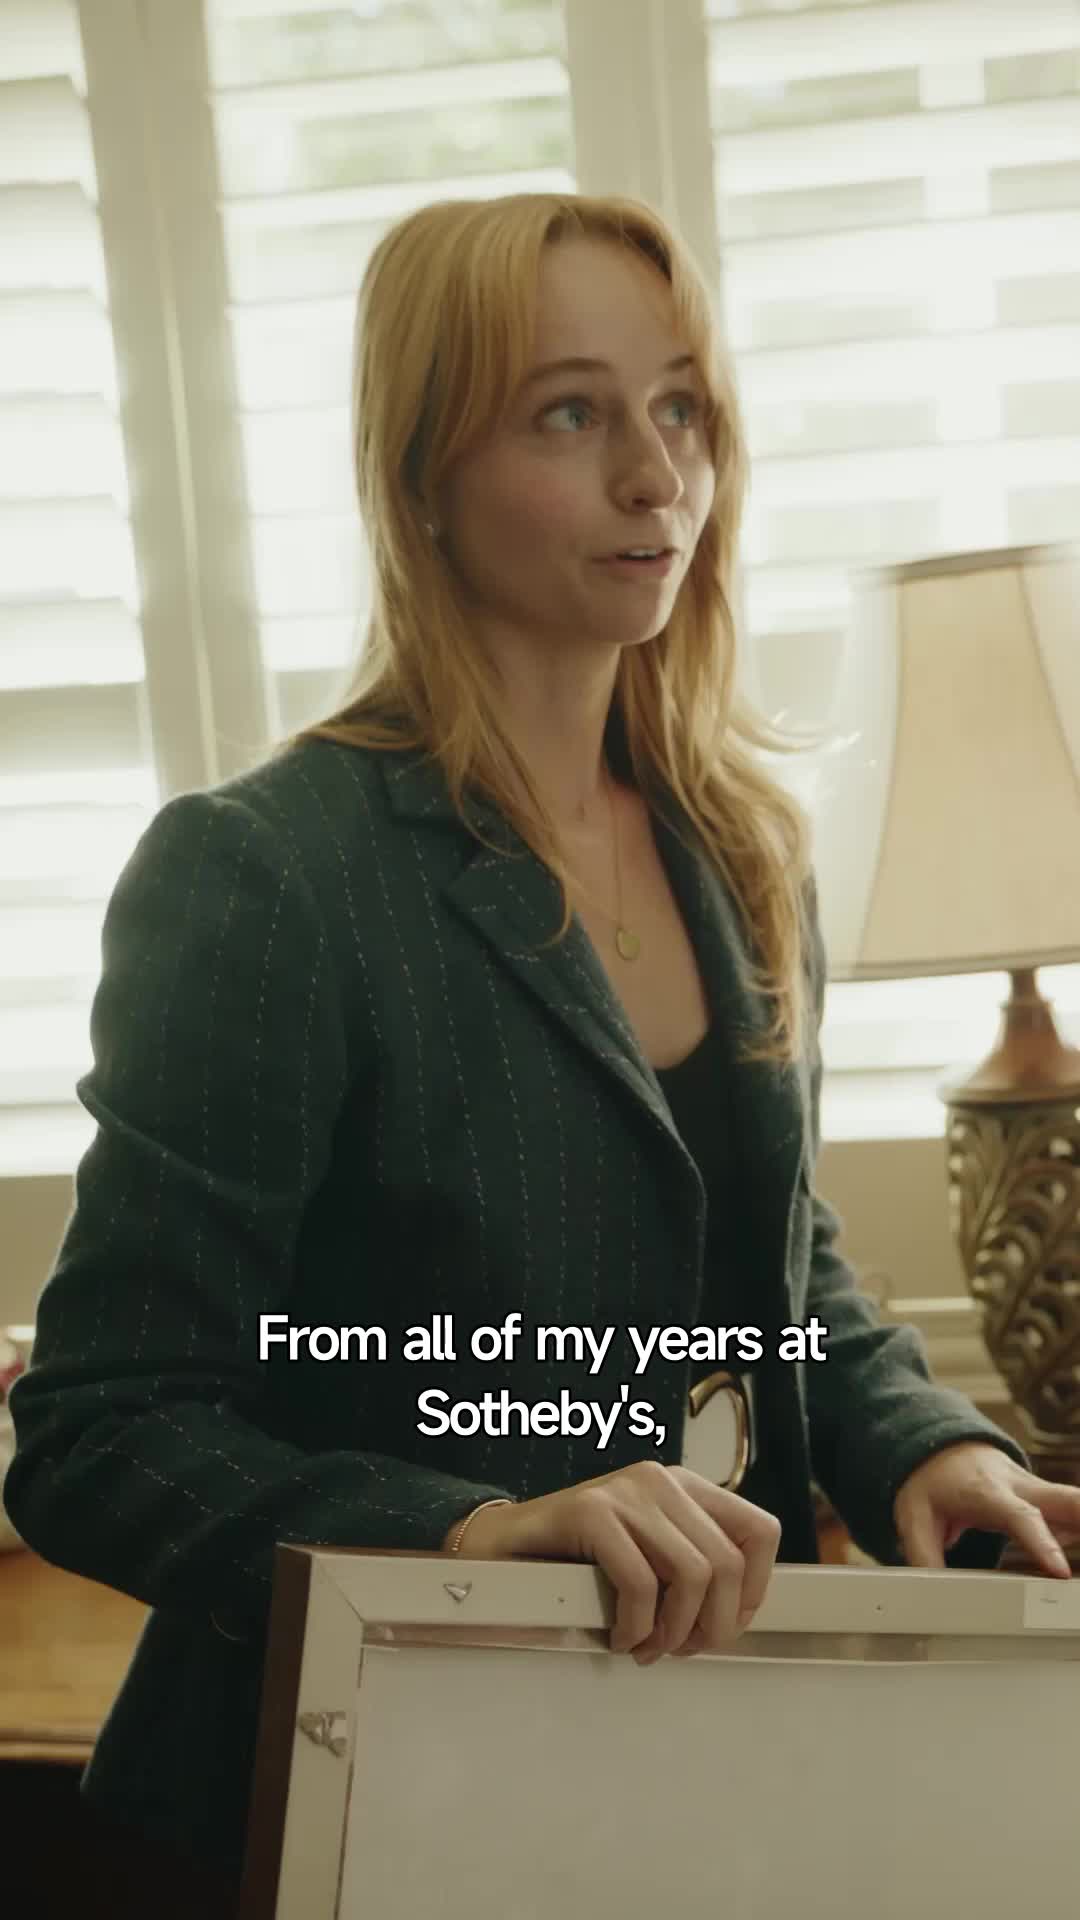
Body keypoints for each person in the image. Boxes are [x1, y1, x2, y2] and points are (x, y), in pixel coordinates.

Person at [7, 190, 1080, 1899]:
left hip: (679, 1779)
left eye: (682, 407)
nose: (658, 478)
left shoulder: (744, 848)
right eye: (570, 415)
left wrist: (921, 1443)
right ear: (422, 474)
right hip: (338, 1811)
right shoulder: (266, 875)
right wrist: (469, 1530)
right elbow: (100, 1430)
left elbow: (779, 1262)